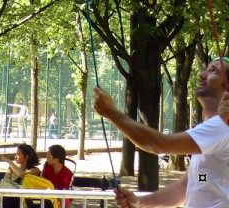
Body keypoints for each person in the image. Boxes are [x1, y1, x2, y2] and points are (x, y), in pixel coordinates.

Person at [94, 55, 229, 208]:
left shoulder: (221, 126)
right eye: (206, 69)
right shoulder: (214, 129)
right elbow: (187, 185)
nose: (202, 74)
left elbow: (158, 144)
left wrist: (111, 112)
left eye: (214, 71)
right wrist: (139, 203)